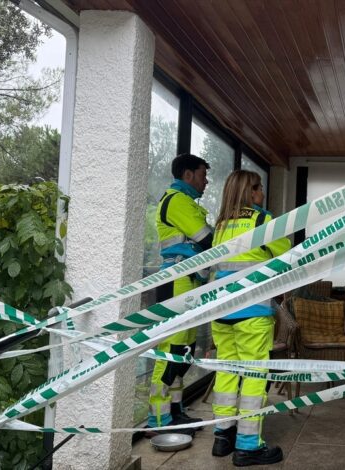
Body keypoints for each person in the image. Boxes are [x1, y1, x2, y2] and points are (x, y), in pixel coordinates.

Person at [209, 170, 290, 467]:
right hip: (252, 312)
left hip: (220, 314)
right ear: (251, 192)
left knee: (227, 373)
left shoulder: (220, 226)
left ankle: (223, 437)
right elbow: (287, 256)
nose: (263, 194)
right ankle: (247, 446)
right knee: (255, 376)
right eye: (259, 190)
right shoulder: (262, 221)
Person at [147, 153, 213, 434]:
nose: (206, 181)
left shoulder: (185, 201)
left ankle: (175, 412)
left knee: (183, 351)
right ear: (188, 175)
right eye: (202, 175)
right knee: (171, 351)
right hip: (177, 281)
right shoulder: (177, 201)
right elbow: (206, 238)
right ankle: (159, 421)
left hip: (188, 280)